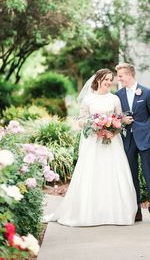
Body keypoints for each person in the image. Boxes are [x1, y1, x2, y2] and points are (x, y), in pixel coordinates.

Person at [44, 68, 137, 226]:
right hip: (93, 143)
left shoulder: (114, 99)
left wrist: (112, 132)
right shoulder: (88, 99)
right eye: (106, 79)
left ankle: (114, 213)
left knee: (112, 174)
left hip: (111, 143)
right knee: (93, 173)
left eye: (110, 79)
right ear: (99, 79)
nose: (109, 82)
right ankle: (89, 213)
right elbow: (80, 121)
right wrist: (95, 126)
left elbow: (119, 120)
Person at [116, 63, 150, 225]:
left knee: (149, 176)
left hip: (145, 140)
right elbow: (116, 117)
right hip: (128, 140)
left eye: (120, 75)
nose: (118, 78)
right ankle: (136, 210)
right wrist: (122, 120)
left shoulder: (147, 92)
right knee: (132, 177)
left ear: (129, 74)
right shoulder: (118, 95)